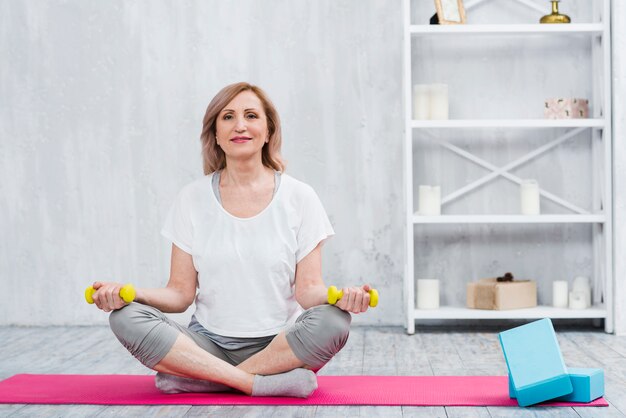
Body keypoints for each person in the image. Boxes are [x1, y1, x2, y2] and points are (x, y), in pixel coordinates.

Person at [90, 82, 374, 398]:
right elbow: (180, 294)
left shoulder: (300, 197)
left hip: (279, 346)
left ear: (268, 132)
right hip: (206, 345)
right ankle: (256, 383)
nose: (240, 125)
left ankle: (199, 378)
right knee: (126, 317)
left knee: (334, 321)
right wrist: (130, 294)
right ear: (215, 135)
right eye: (227, 117)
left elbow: (308, 292)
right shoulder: (191, 199)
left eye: (251, 116)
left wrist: (344, 297)